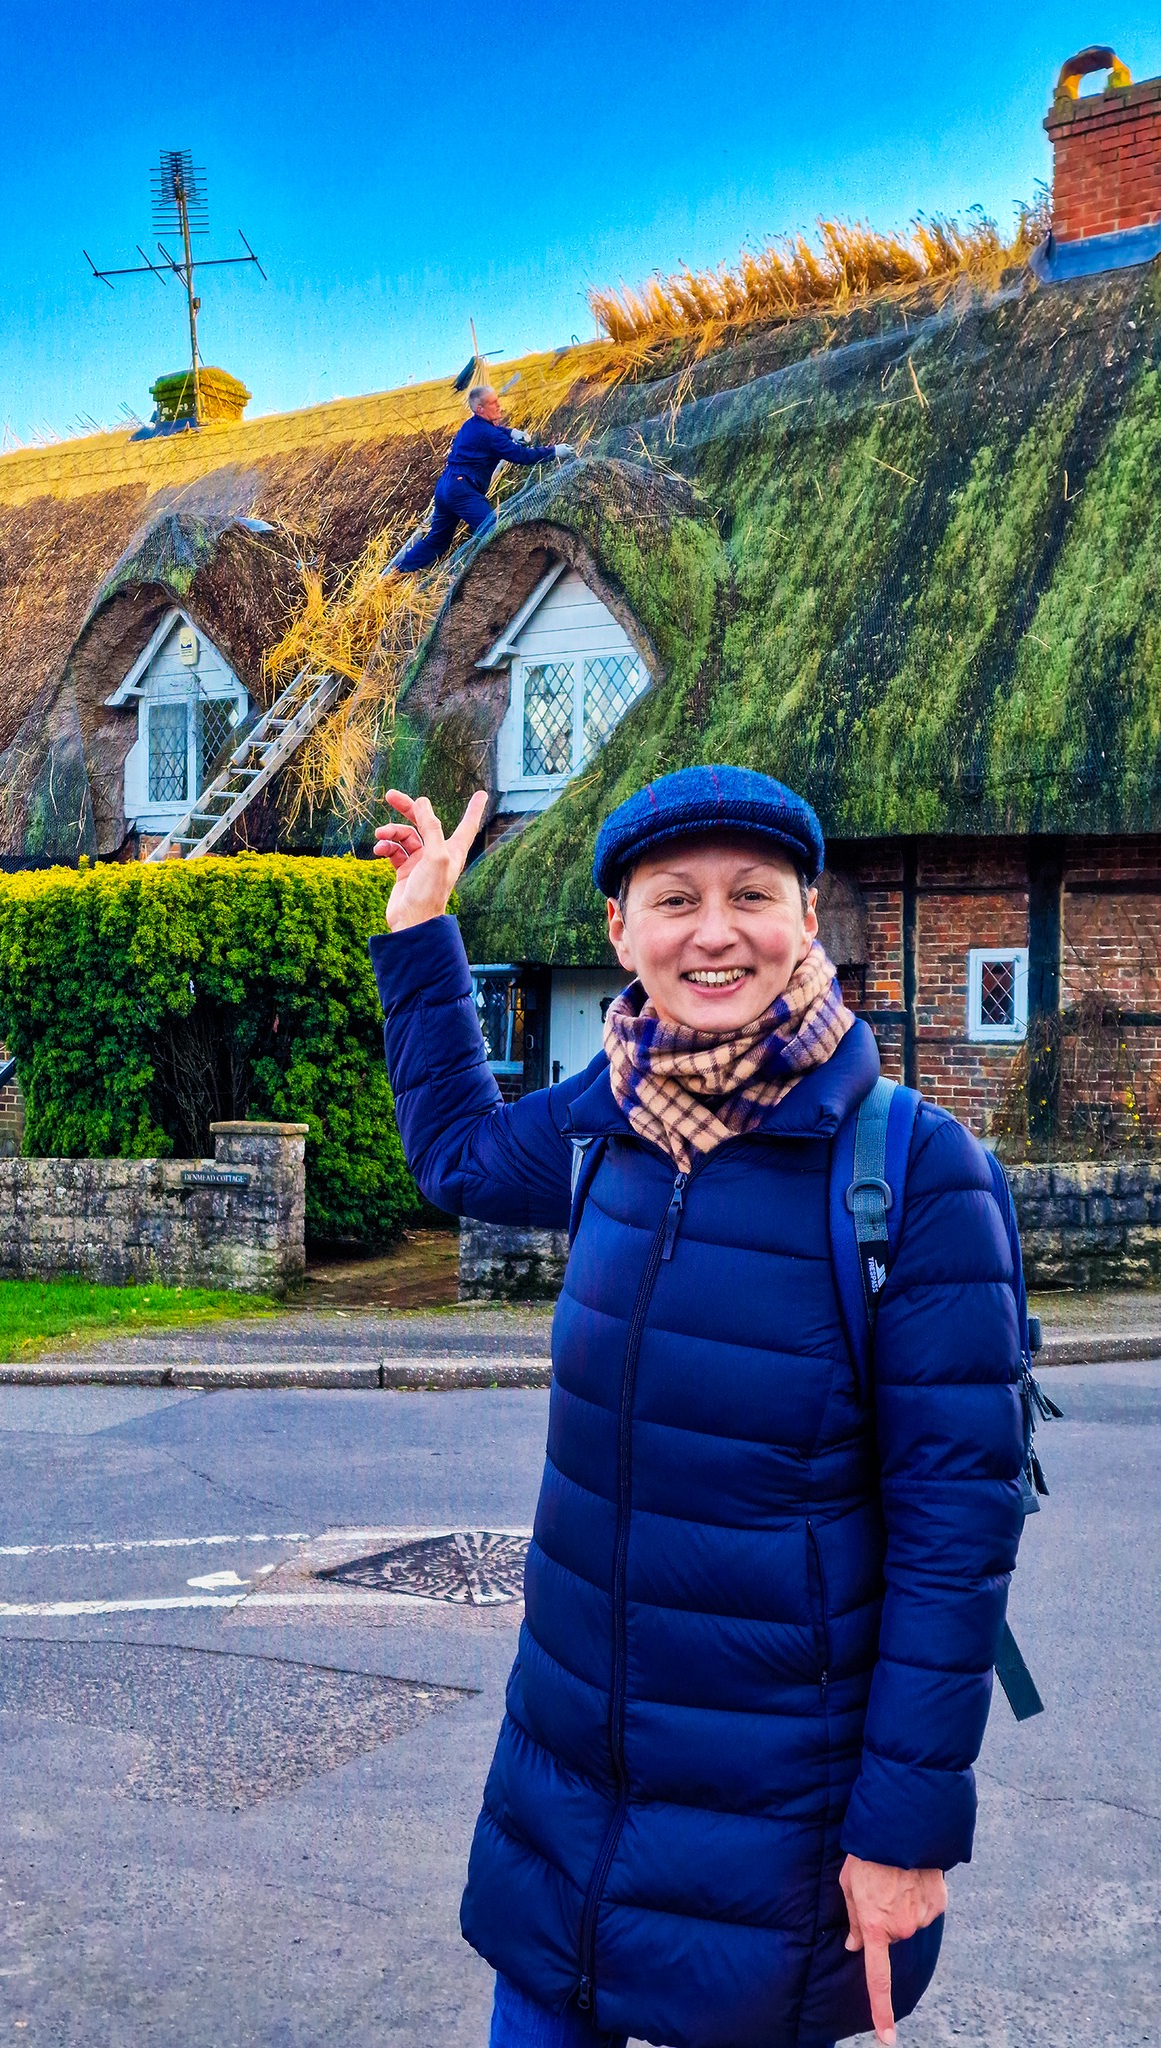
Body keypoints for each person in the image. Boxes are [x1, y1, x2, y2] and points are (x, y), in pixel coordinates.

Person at [368, 767, 1027, 2048]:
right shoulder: (610, 1120)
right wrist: (421, 927)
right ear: (621, 929)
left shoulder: (913, 1171)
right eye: (674, 899)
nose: (714, 930)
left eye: (751, 895)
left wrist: (902, 1832)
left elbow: (958, 1540)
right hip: (569, 1798)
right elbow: (456, 1153)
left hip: (771, 1831)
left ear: (808, 913)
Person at [391, 385, 575, 573]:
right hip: (463, 490)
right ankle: (495, 573)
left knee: (437, 540)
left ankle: (397, 573)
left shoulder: (470, 425)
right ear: (480, 409)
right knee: (493, 531)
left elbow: (492, 432)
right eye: (493, 403)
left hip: (446, 486)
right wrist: (554, 451)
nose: (499, 405)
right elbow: (521, 456)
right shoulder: (488, 435)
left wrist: (512, 432)